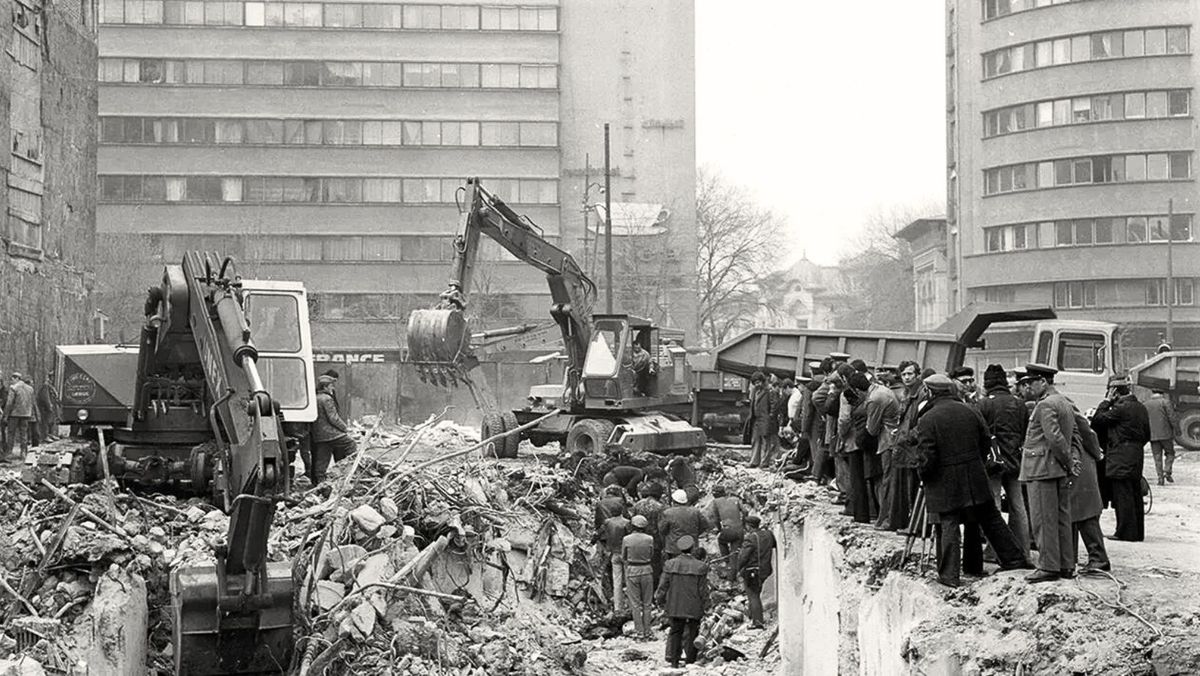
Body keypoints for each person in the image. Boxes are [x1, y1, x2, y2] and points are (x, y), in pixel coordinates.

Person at [916, 374, 1031, 587]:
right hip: (975, 475)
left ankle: (949, 576)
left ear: (930, 391)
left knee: (948, 523)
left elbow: (927, 456)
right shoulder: (970, 410)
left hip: (946, 480)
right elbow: (986, 441)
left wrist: (923, 474)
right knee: (988, 519)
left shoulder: (928, 418)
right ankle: (1010, 560)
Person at [1018, 364, 1076, 582]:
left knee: (1043, 520)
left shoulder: (1045, 405)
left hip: (1041, 468)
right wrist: (1067, 464)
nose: (1028, 388)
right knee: (1061, 518)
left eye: (1030, 383)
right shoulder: (1062, 401)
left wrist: (1067, 460)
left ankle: (1048, 566)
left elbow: (1055, 438)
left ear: (1043, 381)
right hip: (1056, 469)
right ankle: (1065, 565)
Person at [978, 364, 1031, 559]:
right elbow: (1025, 431)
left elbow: (981, 434)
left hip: (993, 462)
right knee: (1019, 507)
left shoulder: (984, 404)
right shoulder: (1019, 404)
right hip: (1015, 461)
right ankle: (1024, 551)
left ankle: (995, 551)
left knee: (994, 508)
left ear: (987, 383)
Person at [1091, 376, 1151, 542]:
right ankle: (1137, 532)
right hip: (1136, 455)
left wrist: (1106, 401)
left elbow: (1097, 421)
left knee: (1122, 495)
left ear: (1114, 391)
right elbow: (1147, 434)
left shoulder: (1121, 408)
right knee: (1135, 494)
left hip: (1120, 456)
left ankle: (1124, 532)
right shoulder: (1140, 407)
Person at [654, 535, 709, 669]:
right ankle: (690, 660)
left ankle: (674, 661)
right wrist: (707, 606)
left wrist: (659, 599)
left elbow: (663, 585)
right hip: (694, 604)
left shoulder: (670, 564)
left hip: (675, 603)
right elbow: (703, 590)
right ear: (692, 548)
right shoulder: (700, 566)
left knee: (675, 631)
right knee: (692, 631)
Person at [1070, 410, 1110, 573]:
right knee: (1075, 512)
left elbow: (1087, 432)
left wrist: (1096, 453)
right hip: (1077, 462)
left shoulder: (1061, 403)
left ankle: (1098, 558)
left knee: (1084, 513)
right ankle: (1071, 558)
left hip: (1079, 463)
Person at [863, 372, 901, 529]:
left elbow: (871, 429)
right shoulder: (883, 390)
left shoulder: (875, 398)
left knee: (888, 481)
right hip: (892, 440)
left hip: (888, 442)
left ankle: (887, 519)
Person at [311, 375, 357, 484]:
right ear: (325, 387)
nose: (333, 388)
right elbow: (333, 418)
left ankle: (320, 482)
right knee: (351, 444)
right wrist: (346, 429)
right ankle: (351, 470)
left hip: (319, 435)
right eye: (331, 386)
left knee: (322, 459)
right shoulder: (327, 399)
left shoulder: (315, 398)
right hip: (331, 433)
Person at [738, 515, 776, 629]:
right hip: (765, 569)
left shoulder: (750, 538)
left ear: (749, 526)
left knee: (753, 595)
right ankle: (752, 616)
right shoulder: (768, 534)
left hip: (753, 570)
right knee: (756, 593)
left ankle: (757, 622)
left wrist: (739, 570)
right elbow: (773, 544)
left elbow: (743, 557)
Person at [621, 515, 656, 639]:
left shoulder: (626, 539)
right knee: (647, 603)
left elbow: (623, 557)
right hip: (647, 570)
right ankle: (648, 630)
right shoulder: (649, 539)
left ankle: (639, 632)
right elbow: (651, 554)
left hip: (632, 571)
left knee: (635, 604)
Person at [706, 485, 746, 584]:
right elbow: (745, 511)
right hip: (739, 530)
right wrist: (743, 524)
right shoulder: (735, 499)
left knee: (721, 541)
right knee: (735, 552)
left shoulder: (716, 502)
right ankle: (732, 578)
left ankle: (726, 560)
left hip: (728, 530)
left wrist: (720, 529)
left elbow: (715, 518)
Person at [1143, 389, 1179, 485]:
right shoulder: (1165, 402)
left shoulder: (1146, 404)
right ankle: (1167, 470)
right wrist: (1177, 429)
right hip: (1166, 434)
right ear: (1162, 393)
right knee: (1170, 453)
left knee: (1157, 456)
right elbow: (1172, 417)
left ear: (1152, 393)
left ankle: (1160, 479)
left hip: (1153, 435)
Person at [598, 510, 631, 614]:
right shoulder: (627, 522)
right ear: (621, 512)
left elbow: (600, 533)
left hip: (614, 553)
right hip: (625, 553)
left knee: (617, 580)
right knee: (629, 580)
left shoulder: (607, 522)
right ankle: (630, 605)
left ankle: (618, 607)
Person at [659, 489, 705, 559]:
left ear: (673, 501)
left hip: (674, 548)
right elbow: (704, 526)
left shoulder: (668, 513)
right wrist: (695, 534)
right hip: (692, 546)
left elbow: (662, 530)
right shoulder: (695, 512)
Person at [747, 371, 777, 468]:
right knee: (755, 440)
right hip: (756, 419)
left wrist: (770, 418)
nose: (757, 384)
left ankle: (764, 463)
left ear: (762, 381)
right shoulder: (755, 391)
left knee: (766, 442)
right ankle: (754, 461)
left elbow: (773, 406)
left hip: (765, 419)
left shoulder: (769, 391)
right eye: (755, 383)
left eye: (758, 382)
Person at [5, 373, 35, 459]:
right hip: (26, 414)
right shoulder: (30, 389)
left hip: (14, 414)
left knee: (11, 433)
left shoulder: (13, 388)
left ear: (16, 378)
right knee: (24, 434)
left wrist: (5, 415)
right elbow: (31, 402)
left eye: (12, 379)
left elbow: (9, 403)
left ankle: (9, 452)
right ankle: (23, 452)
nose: (12, 381)